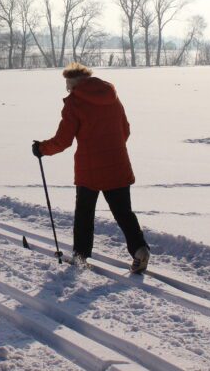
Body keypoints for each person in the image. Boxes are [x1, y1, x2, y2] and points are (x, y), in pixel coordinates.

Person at [32, 62, 150, 273]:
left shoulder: (75, 102)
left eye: (68, 84)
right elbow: (126, 130)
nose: (67, 88)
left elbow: (63, 140)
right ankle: (140, 250)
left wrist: (42, 149)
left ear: (74, 82)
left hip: (90, 169)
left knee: (84, 214)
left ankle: (80, 256)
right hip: (118, 163)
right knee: (123, 212)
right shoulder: (111, 96)